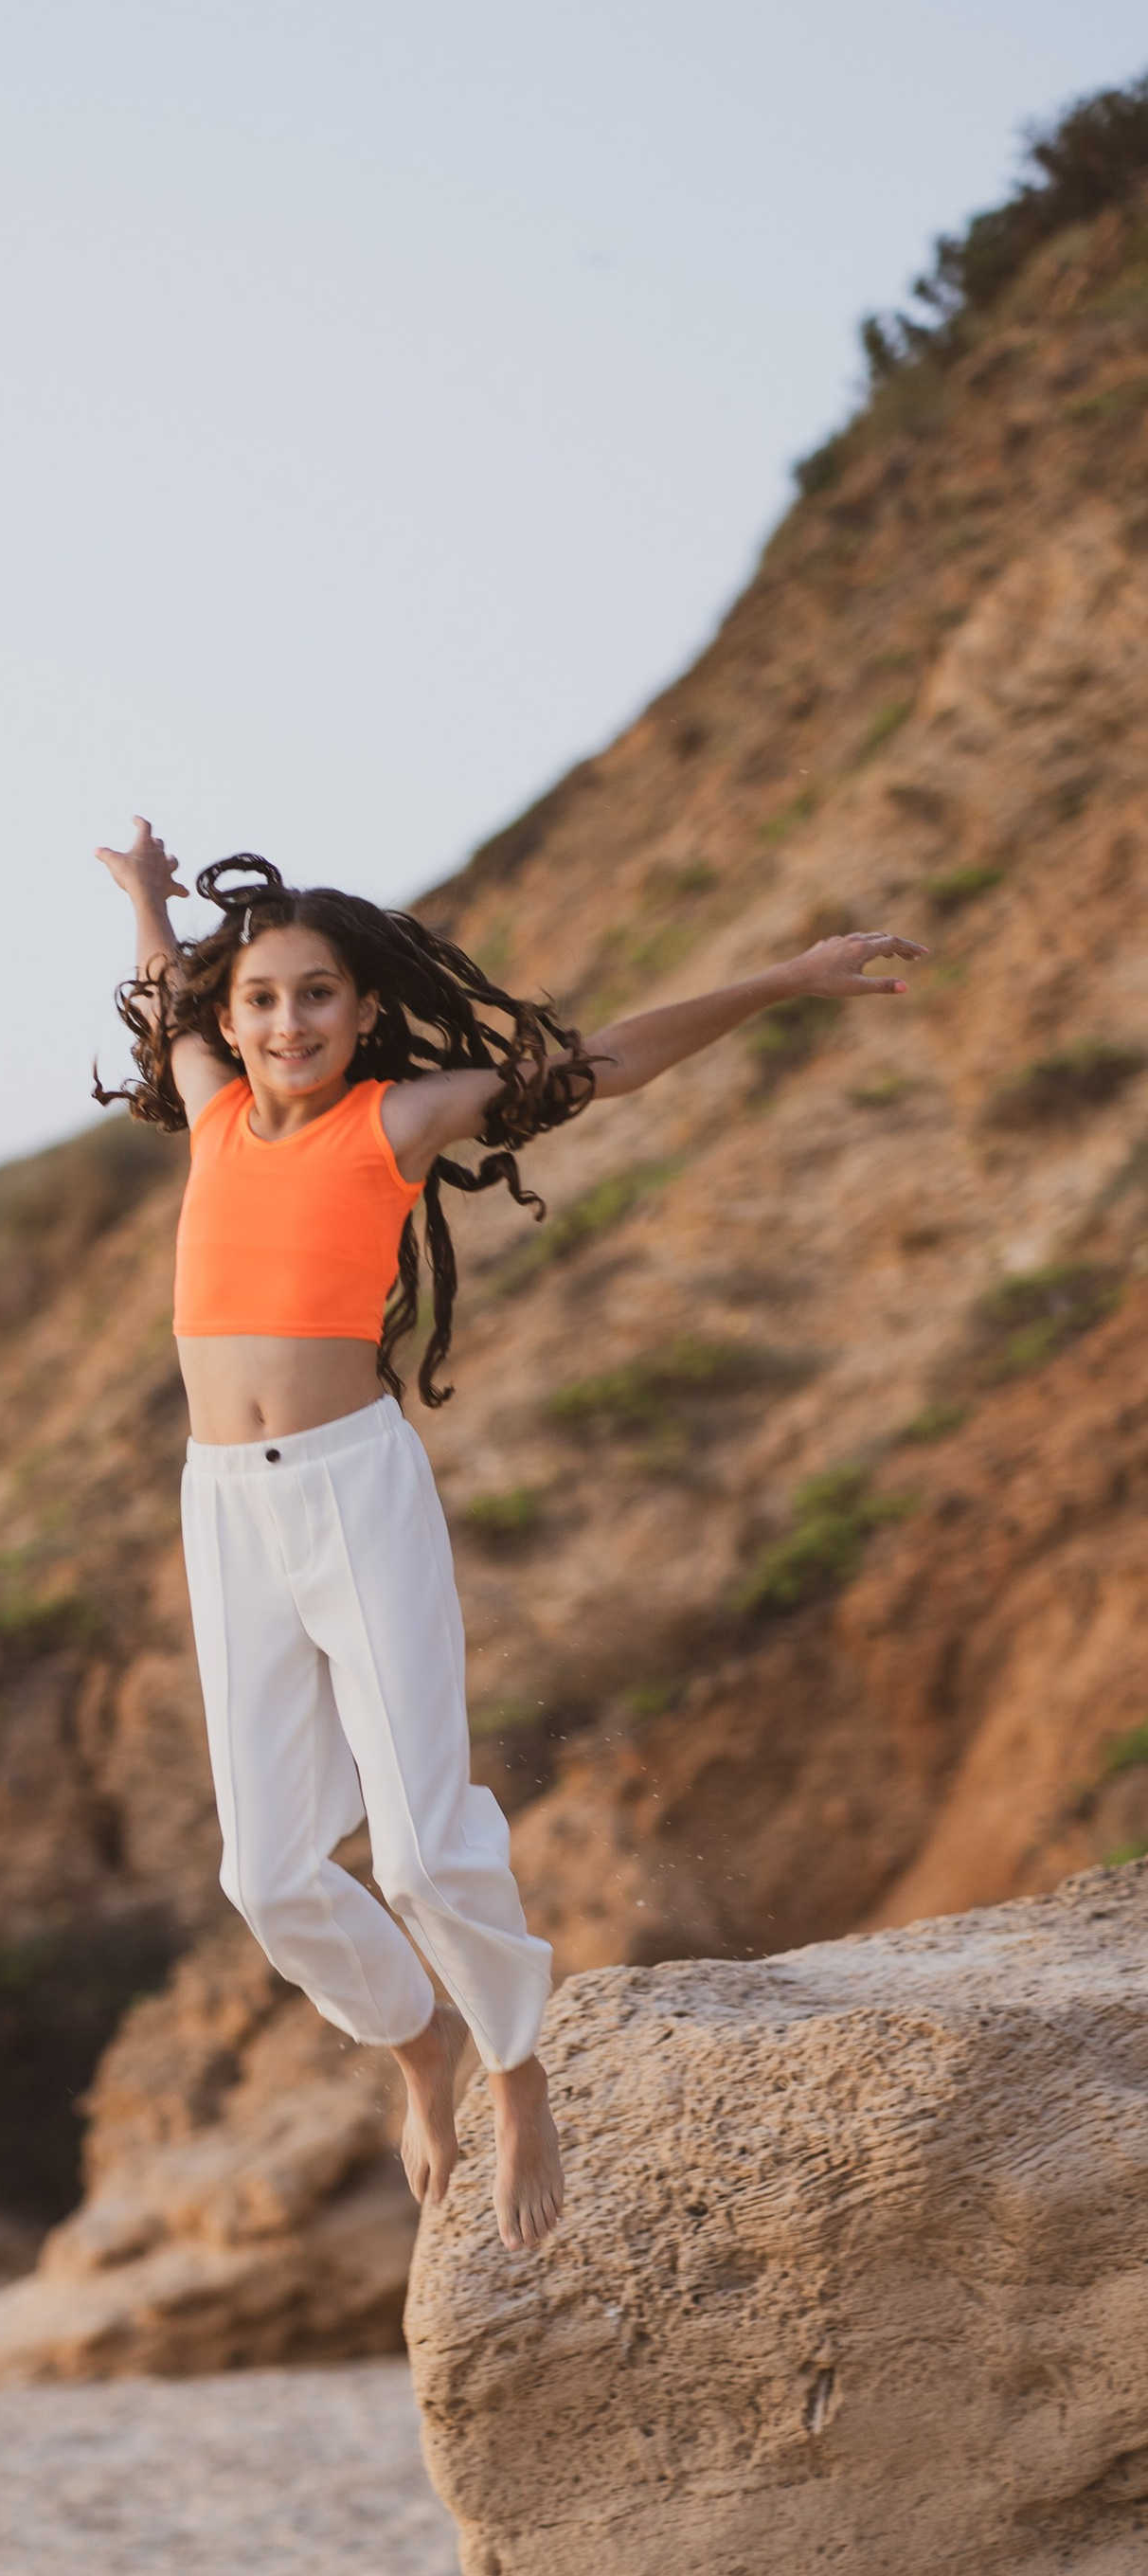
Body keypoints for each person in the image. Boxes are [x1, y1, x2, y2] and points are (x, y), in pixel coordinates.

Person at [95, 824, 924, 2249]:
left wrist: (785, 979)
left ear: (362, 1015)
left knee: (417, 1852)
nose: (285, 1020)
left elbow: (598, 1065)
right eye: (263, 999)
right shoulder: (215, 1108)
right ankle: (415, 2041)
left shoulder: (395, 1123)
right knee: (266, 1875)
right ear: (234, 1021)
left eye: (314, 996)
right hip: (224, 1503)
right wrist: (150, 906)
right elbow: (169, 998)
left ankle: (514, 2066)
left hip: (355, 1491)